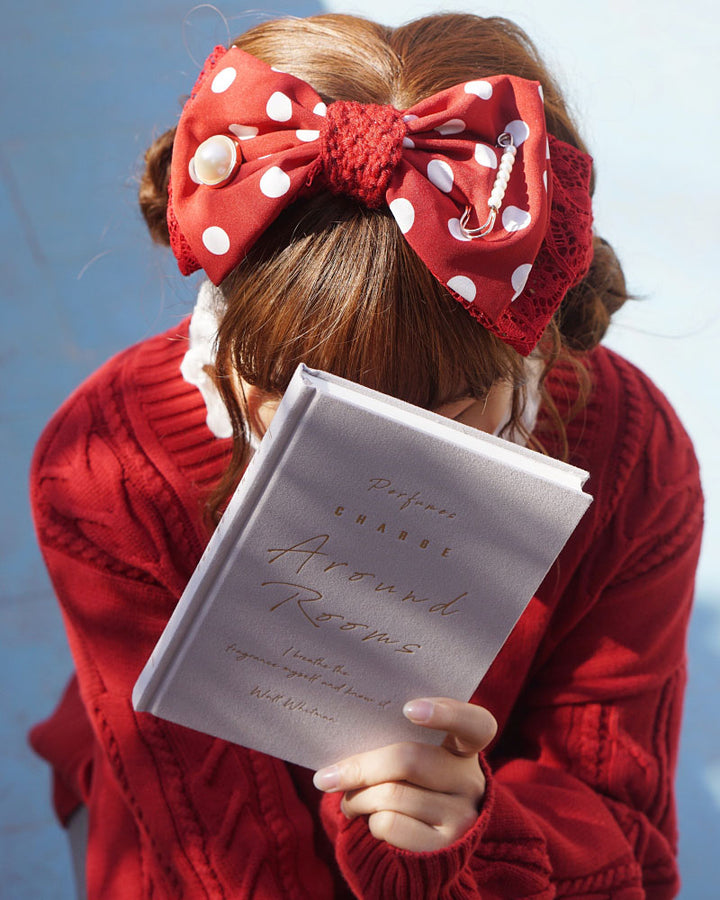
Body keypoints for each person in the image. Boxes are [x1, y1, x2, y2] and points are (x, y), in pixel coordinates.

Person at [29, 12, 703, 899]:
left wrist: (472, 839)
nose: (379, 468)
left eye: (449, 413)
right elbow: (208, 852)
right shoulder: (109, 464)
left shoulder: (630, 456)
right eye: (306, 402)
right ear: (246, 325)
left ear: (528, 333)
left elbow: (628, 845)